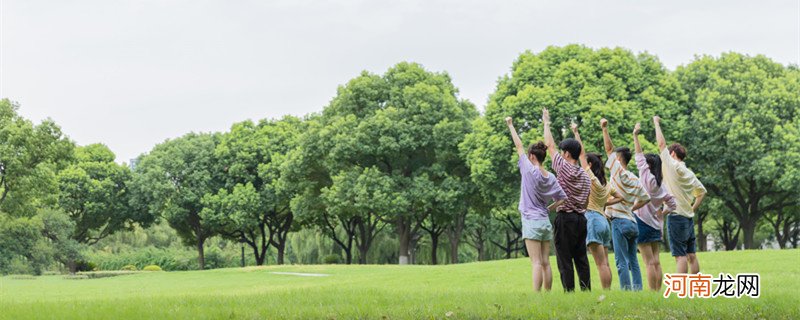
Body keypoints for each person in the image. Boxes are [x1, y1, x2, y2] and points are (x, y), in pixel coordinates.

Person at [505, 116, 567, 292]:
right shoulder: (551, 177)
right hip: (544, 222)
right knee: (546, 262)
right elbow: (562, 198)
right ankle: (547, 293)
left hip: (531, 221)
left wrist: (511, 125)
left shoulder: (527, 169)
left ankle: (537, 295)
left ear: (532, 156)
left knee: (536, 262)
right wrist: (549, 209)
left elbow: (518, 146)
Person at [542, 108, 592, 292]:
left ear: (568, 154)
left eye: (563, 152)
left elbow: (549, 146)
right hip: (581, 219)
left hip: (566, 219)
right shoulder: (586, 176)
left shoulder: (564, 168)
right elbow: (586, 203)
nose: (560, 154)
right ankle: (586, 290)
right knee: (581, 258)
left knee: (564, 258)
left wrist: (546, 122)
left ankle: (569, 291)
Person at [570, 122, 623, 290]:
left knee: (600, 264)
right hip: (603, 221)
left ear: (590, 166)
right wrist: (605, 203)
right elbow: (621, 197)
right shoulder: (606, 184)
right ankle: (607, 292)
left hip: (592, 218)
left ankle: (606, 293)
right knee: (605, 263)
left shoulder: (591, 179)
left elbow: (581, 154)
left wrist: (576, 132)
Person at [600, 118, 650, 291]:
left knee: (621, 262)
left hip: (619, 222)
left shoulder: (619, 173)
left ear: (619, 159)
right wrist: (632, 207)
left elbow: (608, 149)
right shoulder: (635, 179)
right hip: (633, 223)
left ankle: (626, 291)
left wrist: (604, 129)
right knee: (634, 262)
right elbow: (646, 198)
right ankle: (638, 290)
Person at [653, 116, 707, 274]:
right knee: (692, 255)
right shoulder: (689, 173)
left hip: (676, 217)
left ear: (673, 154)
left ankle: (681, 289)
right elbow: (702, 192)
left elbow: (661, 144)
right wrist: (693, 208)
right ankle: (695, 286)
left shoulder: (672, 166)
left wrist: (656, 123)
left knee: (680, 256)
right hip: (688, 217)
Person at [632, 122, 677, 291]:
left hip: (642, 222)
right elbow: (672, 204)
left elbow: (638, 156)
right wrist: (662, 213)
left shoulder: (646, 178)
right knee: (656, 260)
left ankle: (652, 292)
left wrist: (635, 136)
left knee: (648, 262)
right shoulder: (660, 185)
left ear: (648, 166)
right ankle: (657, 291)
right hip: (655, 225)